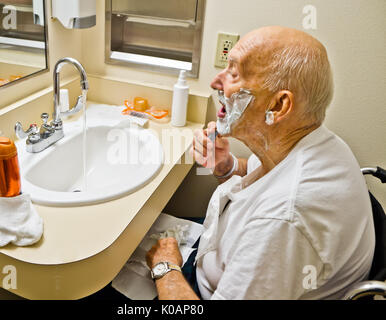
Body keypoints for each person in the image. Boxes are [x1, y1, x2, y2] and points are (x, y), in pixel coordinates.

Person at [145, 26, 375, 300]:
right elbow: (263, 177)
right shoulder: (307, 142)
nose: (216, 82)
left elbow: (276, 218)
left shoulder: (282, 220)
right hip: (221, 259)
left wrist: (166, 268)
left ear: (278, 106)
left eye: (234, 73)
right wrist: (226, 167)